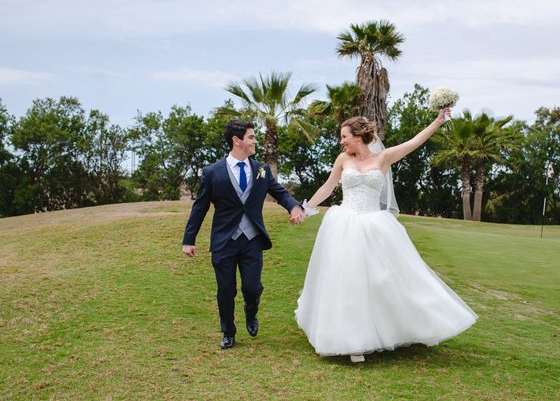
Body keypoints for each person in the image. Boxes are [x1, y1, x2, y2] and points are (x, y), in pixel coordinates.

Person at [295, 110, 477, 363]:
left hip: (375, 225)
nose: (342, 141)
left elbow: (414, 143)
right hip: (344, 223)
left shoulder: (383, 158)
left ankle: (398, 326)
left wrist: (437, 121)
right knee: (347, 281)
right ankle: (352, 341)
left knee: (383, 280)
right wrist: (306, 209)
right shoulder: (342, 160)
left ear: (358, 136)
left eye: (344, 136)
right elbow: (327, 186)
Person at [182, 119, 306, 349]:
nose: (254, 141)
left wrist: (294, 206)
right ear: (236, 141)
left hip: (252, 240)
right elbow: (200, 207)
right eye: (251, 137)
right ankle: (228, 331)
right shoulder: (212, 172)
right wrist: (189, 239)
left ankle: (251, 312)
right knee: (226, 289)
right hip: (224, 241)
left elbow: (279, 193)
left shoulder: (261, 169)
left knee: (252, 287)